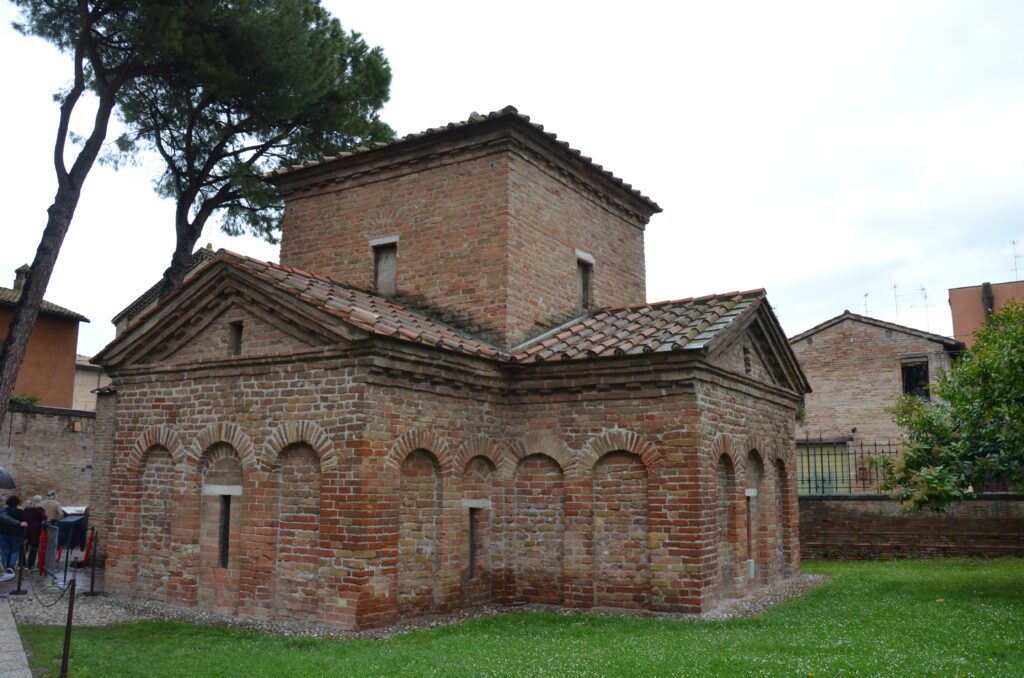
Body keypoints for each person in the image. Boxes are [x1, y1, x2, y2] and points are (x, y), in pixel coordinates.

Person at [0, 496, 27, 579]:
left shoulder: (4, 510)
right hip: (16, 534)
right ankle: (11, 567)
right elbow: (23, 524)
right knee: (15, 551)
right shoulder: (20, 512)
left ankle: (3, 567)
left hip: (3, 533)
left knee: (4, 551)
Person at [22, 495, 47, 569]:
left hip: (26, 529)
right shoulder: (40, 509)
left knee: (25, 547)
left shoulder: (27, 509)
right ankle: (30, 564)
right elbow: (44, 518)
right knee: (34, 547)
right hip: (36, 530)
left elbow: (23, 517)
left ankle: (22, 563)